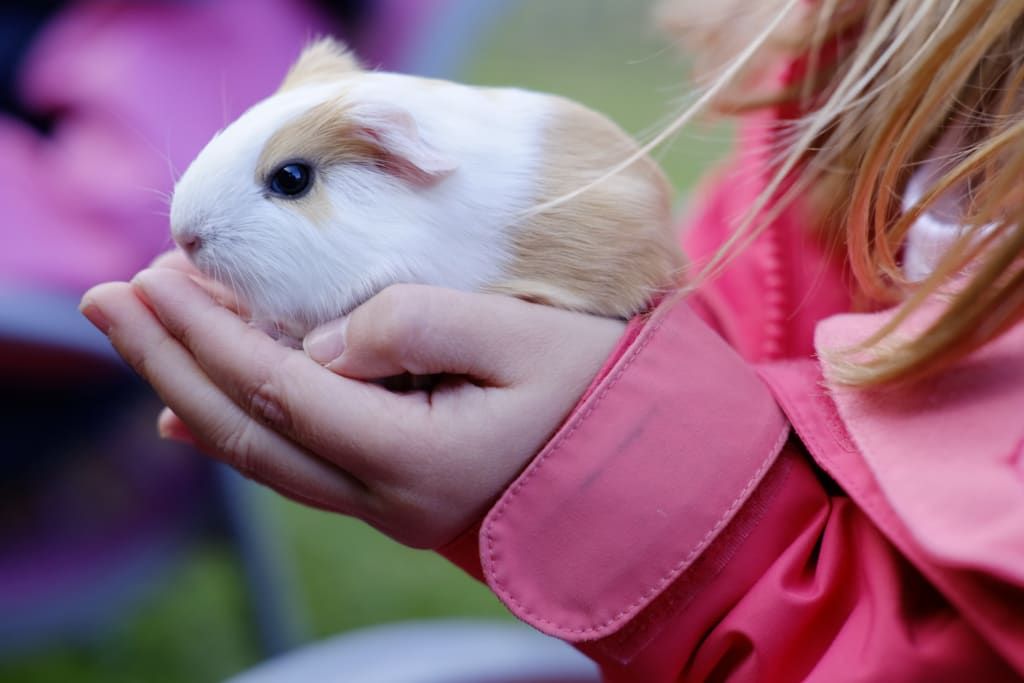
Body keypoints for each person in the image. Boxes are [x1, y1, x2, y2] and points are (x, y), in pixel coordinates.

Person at [79, 0, 1024, 680]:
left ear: (404, 162)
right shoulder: (838, 57)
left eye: (290, 182)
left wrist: (613, 473)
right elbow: (721, 331)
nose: (191, 234)